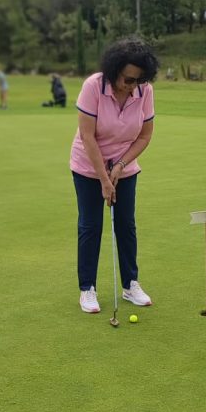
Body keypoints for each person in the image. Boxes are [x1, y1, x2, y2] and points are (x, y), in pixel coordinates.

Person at [70, 36, 159, 314]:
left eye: (136, 80)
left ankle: (130, 283)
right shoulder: (94, 86)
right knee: (90, 225)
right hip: (88, 165)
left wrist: (120, 166)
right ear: (114, 70)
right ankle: (87, 289)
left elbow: (145, 136)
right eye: (126, 79)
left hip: (125, 165)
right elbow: (87, 135)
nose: (129, 85)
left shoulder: (144, 91)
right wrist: (104, 179)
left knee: (125, 224)